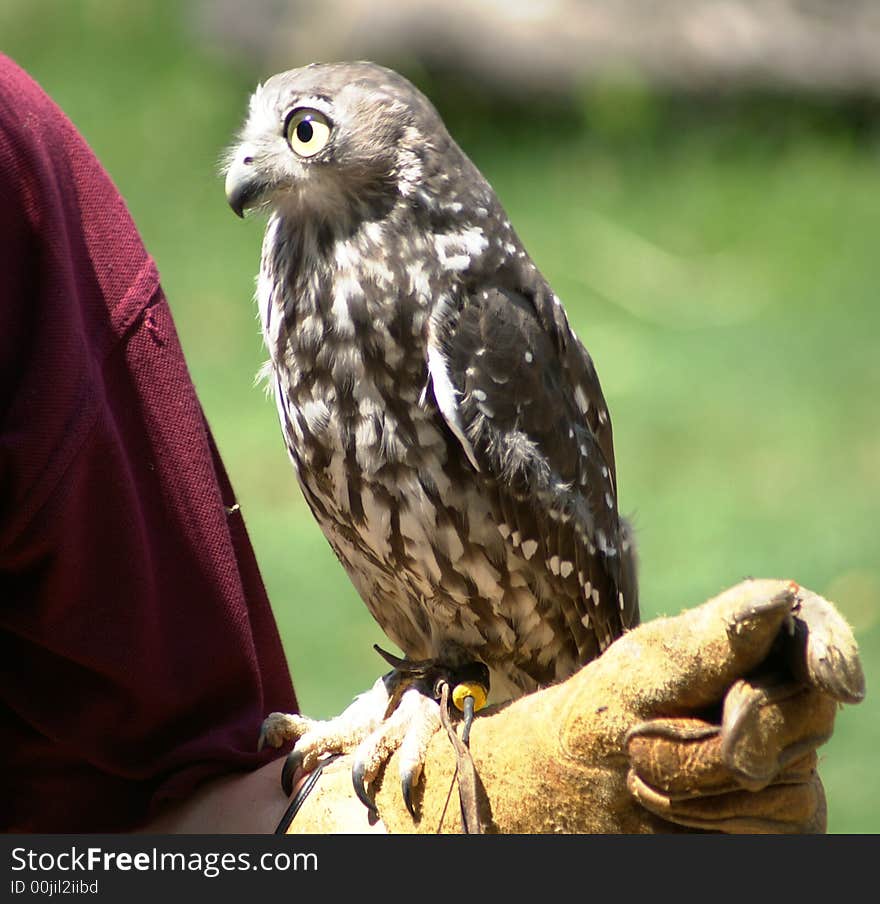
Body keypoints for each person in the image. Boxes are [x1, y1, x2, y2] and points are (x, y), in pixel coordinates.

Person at [0, 54, 863, 834]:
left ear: (402, 149)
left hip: (534, 647)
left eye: (304, 132)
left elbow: (556, 585)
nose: (258, 165)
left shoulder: (476, 308)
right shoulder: (292, 266)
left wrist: (512, 689)